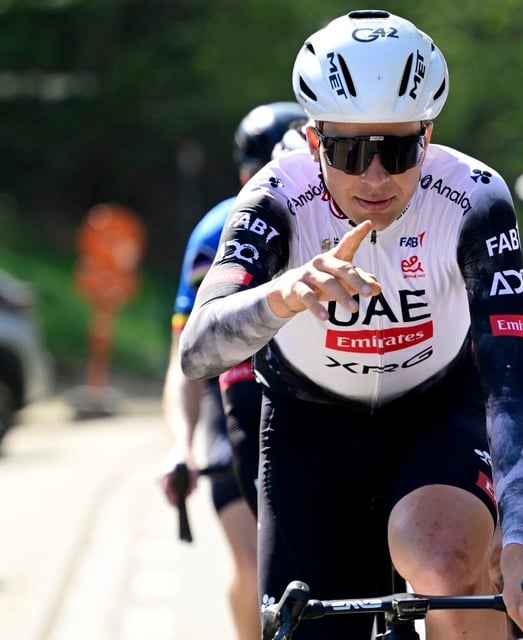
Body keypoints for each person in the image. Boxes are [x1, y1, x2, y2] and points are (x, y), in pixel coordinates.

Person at [177, 10, 523, 640]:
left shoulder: (473, 197)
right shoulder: (275, 198)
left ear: (427, 135)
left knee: (448, 569)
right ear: (314, 142)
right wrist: (280, 295)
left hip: (435, 413)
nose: (374, 176)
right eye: (348, 150)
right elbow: (197, 350)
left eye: (396, 150)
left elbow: (510, 384)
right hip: (307, 426)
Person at [157, 100, 305, 640]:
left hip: (322, 394)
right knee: (255, 567)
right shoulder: (217, 232)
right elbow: (187, 361)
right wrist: (181, 445)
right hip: (238, 398)